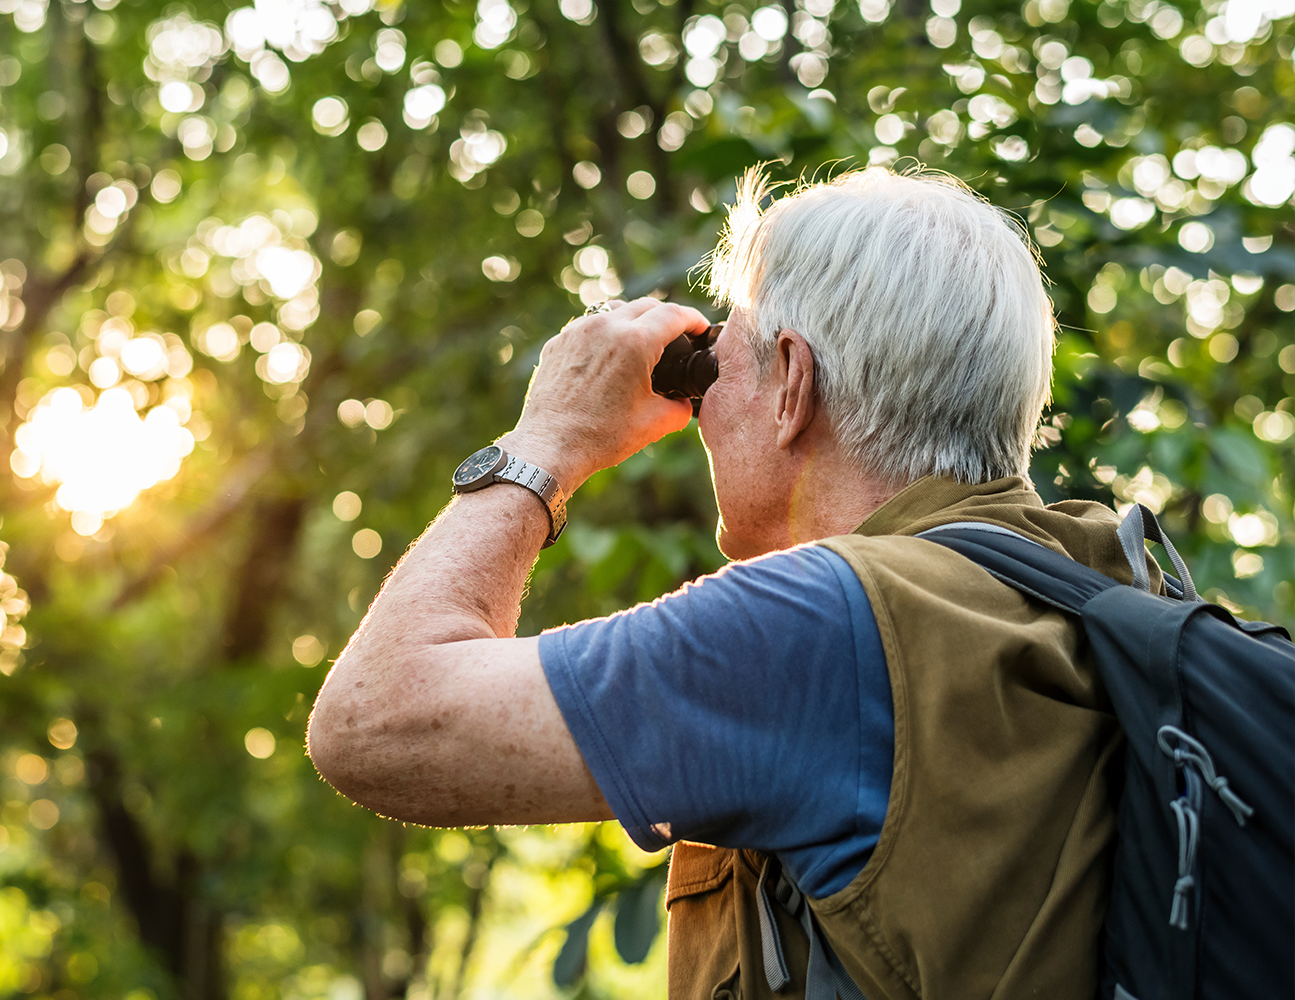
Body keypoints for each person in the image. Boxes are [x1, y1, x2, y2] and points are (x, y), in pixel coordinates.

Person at [307, 167, 1144, 999]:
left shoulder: (825, 627)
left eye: (715, 362)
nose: (701, 406)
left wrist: (548, 440)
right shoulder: (1105, 580)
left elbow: (375, 722)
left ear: (792, 382)